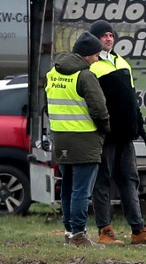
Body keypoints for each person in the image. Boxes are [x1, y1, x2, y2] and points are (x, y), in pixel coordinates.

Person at [88, 19, 146, 245]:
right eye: (103, 36)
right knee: (102, 182)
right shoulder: (91, 67)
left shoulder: (122, 63)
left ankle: (138, 230)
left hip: (126, 136)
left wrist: (139, 125)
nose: (108, 39)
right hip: (106, 136)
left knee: (130, 181)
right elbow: (92, 103)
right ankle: (105, 230)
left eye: (111, 35)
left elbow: (132, 99)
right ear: (95, 40)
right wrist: (103, 128)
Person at [45, 31, 110, 247]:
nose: (97, 58)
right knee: (81, 190)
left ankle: (69, 232)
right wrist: (104, 128)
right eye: (95, 55)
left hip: (61, 139)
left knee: (67, 188)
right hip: (84, 139)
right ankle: (79, 235)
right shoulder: (85, 76)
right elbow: (99, 109)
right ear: (87, 55)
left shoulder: (53, 73)